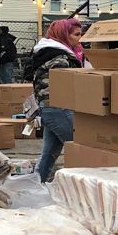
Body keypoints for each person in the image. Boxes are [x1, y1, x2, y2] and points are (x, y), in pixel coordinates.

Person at [24, 19, 82, 182]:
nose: (80, 38)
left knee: (49, 153)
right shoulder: (59, 58)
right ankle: (80, 187)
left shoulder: (49, 52)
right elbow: (62, 86)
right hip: (57, 108)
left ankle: (37, 184)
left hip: (50, 108)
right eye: (76, 34)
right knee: (80, 149)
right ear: (63, 35)